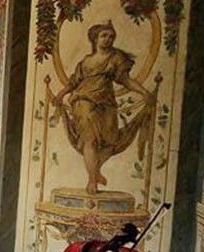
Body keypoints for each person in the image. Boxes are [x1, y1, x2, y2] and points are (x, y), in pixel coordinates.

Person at [53, 20, 155, 195]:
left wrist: (144, 92)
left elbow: (125, 80)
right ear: (95, 39)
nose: (108, 39)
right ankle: (92, 181)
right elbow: (73, 83)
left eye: (111, 36)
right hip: (84, 102)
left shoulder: (116, 59)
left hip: (107, 104)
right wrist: (61, 94)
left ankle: (95, 171)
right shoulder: (85, 62)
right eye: (104, 36)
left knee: (110, 143)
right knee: (89, 140)